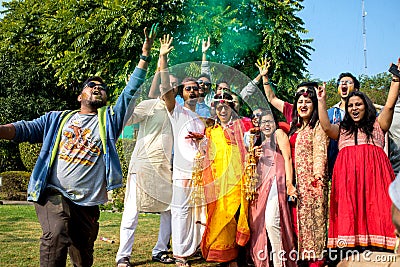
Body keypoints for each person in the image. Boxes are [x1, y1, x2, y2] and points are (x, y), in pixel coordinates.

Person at [0, 26, 156, 267]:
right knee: (56, 234)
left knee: (83, 255)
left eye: (101, 87)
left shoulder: (110, 121)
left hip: (88, 201)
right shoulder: (57, 119)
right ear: (79, 96)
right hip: (54, 191)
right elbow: (24, 129)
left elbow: (129, 93)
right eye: (91, 85)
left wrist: (144, 56)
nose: (97, 87)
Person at [317, 58, 400, 261]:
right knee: (349, 216)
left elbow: (389, 105)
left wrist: (396, 78)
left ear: (366, 106)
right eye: (351, 105)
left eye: (359, 104)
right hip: (347, 183)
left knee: (378, 212)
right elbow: (326, 126)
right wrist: (321, 101)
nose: (354, 108)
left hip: (375, 180)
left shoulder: (378, 124)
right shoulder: (343, 130)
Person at [115, 34, 175, 267]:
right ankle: (123, 256)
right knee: (131, 212)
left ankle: (160, 250)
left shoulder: (173, 108)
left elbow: (167, 90)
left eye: (170, 85)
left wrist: (163, 60)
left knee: (169, 211)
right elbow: (127, 119)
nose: (166, 86)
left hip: (164, 168)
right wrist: (160, 57)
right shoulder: (148, 106)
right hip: (142, 167)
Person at [160, 39, 206, 267]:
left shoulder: (203, 117)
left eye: (196, 88)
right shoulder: (176, 111)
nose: (193, 91)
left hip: (201, 174)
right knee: (180, 212)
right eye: (188, 88)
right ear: (182, 93)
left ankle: (193, 249)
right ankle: (179, 254)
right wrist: (163, 58)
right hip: (182, 172)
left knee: (198, 214)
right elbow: (165, 90)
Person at [200, 92, 253, 267]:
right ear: (214, 110)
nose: (223, 110)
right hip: (217, 184)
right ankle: (225, 257)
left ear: (232, 108)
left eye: (226, 107)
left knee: (238, 218)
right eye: (219, 107)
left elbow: (249, 148)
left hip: (237, 182)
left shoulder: (242, 127)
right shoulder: (210, 131)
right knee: (220, 218)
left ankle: (239, 259)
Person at [248, 110, 297, 267]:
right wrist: (253, 156)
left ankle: (280, 262)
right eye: (263, 122)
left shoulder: (279, 134)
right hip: (261, 187)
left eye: (270, 121)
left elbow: (288, 158)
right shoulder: (258, 141)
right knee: (259, 225)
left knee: (272, 222)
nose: (266, 125)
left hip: (277, 182)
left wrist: (289, 183)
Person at [288, 86, 330, 266]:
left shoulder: (318, 126)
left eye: (307, 102)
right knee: (299, 229)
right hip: (296, 187)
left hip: (313, 186)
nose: (303, 105)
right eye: (300, 102)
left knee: (315, 229)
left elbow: (320, 152)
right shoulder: (295, 129)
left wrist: (318, 178)